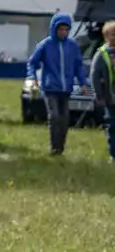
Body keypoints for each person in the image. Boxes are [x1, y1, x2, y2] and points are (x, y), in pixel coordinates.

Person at [27, 11, 88, 157]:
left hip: (66, 88)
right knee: (54, 115)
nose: (63, 32)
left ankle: (60, 148)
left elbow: (78, 66)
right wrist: (32, 77)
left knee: (65, 118)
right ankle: (54, 147)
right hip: (50, 88)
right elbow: (32, 62)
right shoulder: (45, 45)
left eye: (66, 29)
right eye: (60, 29)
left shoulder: (72, 46)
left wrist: (83, 83)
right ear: (54, 29)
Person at [94, 20, 115, 163]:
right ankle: (113, 154)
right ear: (106, 36)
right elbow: (95, 76)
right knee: (112, 127)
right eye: (113, 34)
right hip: (110, 98)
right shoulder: (101, 54)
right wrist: (99, 95)